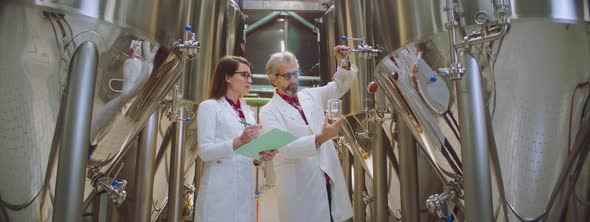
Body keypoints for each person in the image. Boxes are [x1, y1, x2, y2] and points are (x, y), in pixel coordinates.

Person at [259, 46, 357, 222]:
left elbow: (338, 86)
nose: (294, 80)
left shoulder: (310, 95)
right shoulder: (268, 111)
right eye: (287, 76)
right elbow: (286, 147)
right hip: (300, 187)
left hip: (326, 177)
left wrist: (343, 63)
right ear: (273, 80)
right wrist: (320, 139)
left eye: (296, 73)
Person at [195, 56, 277, 222]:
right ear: (227, 77)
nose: (250, 80)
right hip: (219, 189)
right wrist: (239, 140)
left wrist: (259, 155)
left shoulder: (246, 111)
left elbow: (245, 150)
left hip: (244, 189)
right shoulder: (210, 107)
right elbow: (204, 152)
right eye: (244, 75)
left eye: (250, 76)